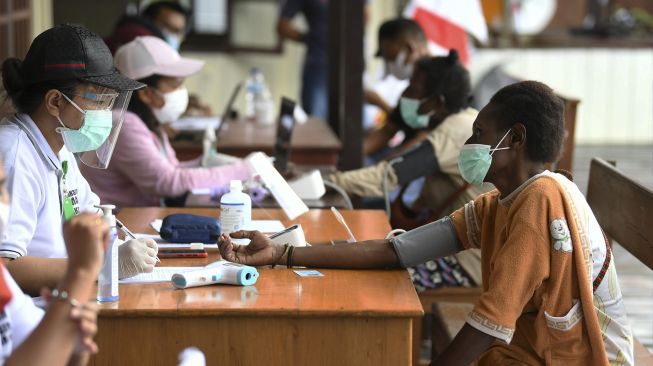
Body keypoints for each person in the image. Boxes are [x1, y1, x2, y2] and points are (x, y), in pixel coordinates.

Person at [219, 81, 635, 365]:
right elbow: (396, 249)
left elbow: (489, 326)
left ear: (517, 139)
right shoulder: (498, 204)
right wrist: (281, 252)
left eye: (479, 133)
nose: (470, 145)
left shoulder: (540, 201)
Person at [0, 24, 159, 296]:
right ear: (54, 102)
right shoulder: (14, 155)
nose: (107, 112)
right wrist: (104, 266)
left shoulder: (58, 144)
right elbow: (6, 269)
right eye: (99, 100)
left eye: (111, 101)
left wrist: (120, 245)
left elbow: (91, 215)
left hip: (59, 301)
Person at [330, 52, 486, 290]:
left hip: (465, 263)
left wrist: (329, 181)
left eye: (413, 89)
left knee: (373, 280)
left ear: (437, 102)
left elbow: (388, 176)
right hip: (452, 247)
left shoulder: (455, 131)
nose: (405, 96)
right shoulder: (461, 121)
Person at [80, 36, 251, 208]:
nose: (182, 91)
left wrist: (203, 162)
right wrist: (244, 169)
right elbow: (167, 181)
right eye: (175, 85)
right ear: (146, 94)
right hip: (118, 225)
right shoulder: (124, 124)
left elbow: (171, 168)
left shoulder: (149, 122)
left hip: (138, 218)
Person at [0, 159, 104, 366]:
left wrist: (72, 347)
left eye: (2, 187)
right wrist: (81, 273)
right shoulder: (18, 152)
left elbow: (45, 352)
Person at [364, 18, 430, 115]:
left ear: (410, 49)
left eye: (392, 59)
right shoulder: (412, 87)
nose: (390, 69)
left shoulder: (444, 79)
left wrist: (381, 104)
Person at [105, 1, 189, 54]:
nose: (172, 35)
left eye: (177, 31)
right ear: (147, 21)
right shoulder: (134, 45)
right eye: (166, 26)